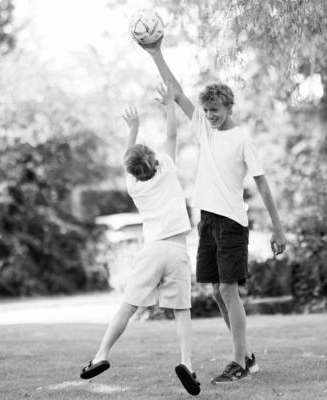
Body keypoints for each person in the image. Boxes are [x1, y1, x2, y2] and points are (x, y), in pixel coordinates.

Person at [139, 37, 287, 384]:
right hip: (206, 221)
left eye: (215, 110)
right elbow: (175, 91)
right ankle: (246, 356)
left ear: (229, 107)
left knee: (227, 290)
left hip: (232, 222)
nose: (209, 116)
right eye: (206, 111)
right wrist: (157, 53)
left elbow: (263, 184)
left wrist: (278, 230)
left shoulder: (242, 139)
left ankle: (240, 362)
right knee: (217, 291)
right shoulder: (205, 130)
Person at [80, 82, 201, 396]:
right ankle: (186, 363)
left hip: (151, 251)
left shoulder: (135, 188)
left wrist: (131, 128)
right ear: (155, 161)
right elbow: (172, 135)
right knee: (182, 311)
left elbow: (127, 159)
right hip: (176, 250)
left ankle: (101, 355)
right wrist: (169, 105)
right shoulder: (169, 170)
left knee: (128, 305)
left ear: (132, 171)